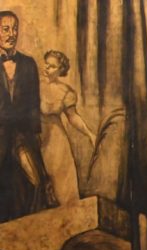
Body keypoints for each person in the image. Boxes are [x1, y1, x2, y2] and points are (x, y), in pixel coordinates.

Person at [0, 11, 56, 223]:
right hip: (0, 133)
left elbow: (33, 101)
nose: (11, 33)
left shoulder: (28, 64)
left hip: (23, 134)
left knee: (35, 180)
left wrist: (36, 131)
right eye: (6, 29)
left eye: (15, 29)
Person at [39, 49, 95, 206]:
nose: (46, 68)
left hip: (55, 138)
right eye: (46, 64)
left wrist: (90, 134)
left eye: (51, 66)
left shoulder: (65, 92)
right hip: (35, 134)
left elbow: (73, 117)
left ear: (60, 70)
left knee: (62, 179)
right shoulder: (33, 83)